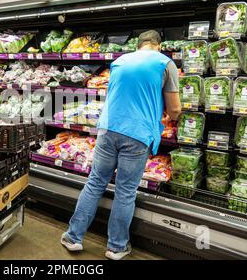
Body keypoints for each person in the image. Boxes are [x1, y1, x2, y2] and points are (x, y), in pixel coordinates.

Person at [60, 30, 181, 260]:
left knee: (95, 183)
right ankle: (116, 247)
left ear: (139, 45)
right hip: (137, 134)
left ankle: (72, 237)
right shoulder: (165, 63)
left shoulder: (119, 61)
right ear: (158, 45)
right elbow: (174, 109)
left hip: (107, 129)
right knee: (125, 191)